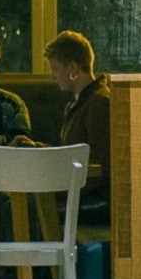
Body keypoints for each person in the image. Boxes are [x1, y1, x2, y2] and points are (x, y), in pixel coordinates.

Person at [38, 30, 111, 214]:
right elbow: (76, 154)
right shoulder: (85, 101)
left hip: (95, 198)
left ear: (72, 69)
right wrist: (39, 149)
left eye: (55, 69)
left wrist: (57, 185)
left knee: (25, 204)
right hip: (82, 190)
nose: (52, 76)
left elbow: (100, 167)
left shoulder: (99, 103)